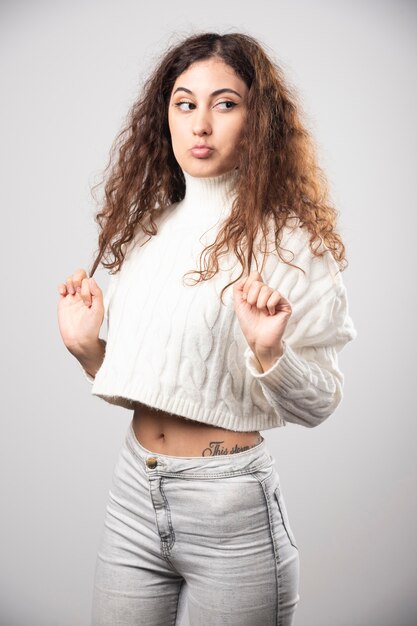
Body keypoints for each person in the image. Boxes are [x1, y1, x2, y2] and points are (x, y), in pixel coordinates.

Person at [57, 31, 357, 626]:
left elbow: (322, 401)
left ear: (258, 119)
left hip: (232, 508)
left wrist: (270, 353)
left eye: (225, 103)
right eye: (184, 102)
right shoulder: (147, 228)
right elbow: (162, 384)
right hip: (134, 495)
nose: (200, 124)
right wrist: (90, 350)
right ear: (164, 115)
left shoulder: (291, 243)